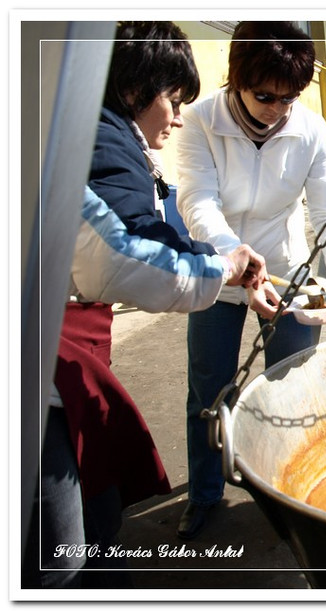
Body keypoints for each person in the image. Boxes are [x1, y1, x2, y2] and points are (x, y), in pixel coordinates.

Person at [23, 21, 268, 588]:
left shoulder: (91, 134)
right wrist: (223, 264)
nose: (179, 116)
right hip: (38, 364)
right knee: (57, 549)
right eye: (173, 100)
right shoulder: (100, 139)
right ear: (135, 91)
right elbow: (122, 253)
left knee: (102, 508)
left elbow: (141, 230)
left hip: (64, 350)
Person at [175, 21, 326, 540]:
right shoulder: (199, 121)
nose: (278, 109)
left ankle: (291, 490)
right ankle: (204, 493)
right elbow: (196, 201)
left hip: (285, 271)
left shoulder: (309, 128)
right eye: (265, 96)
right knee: (209, 388)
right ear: (237, 76)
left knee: (294, 387)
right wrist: (233, 257)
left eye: (289, 98)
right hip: (220, 273)